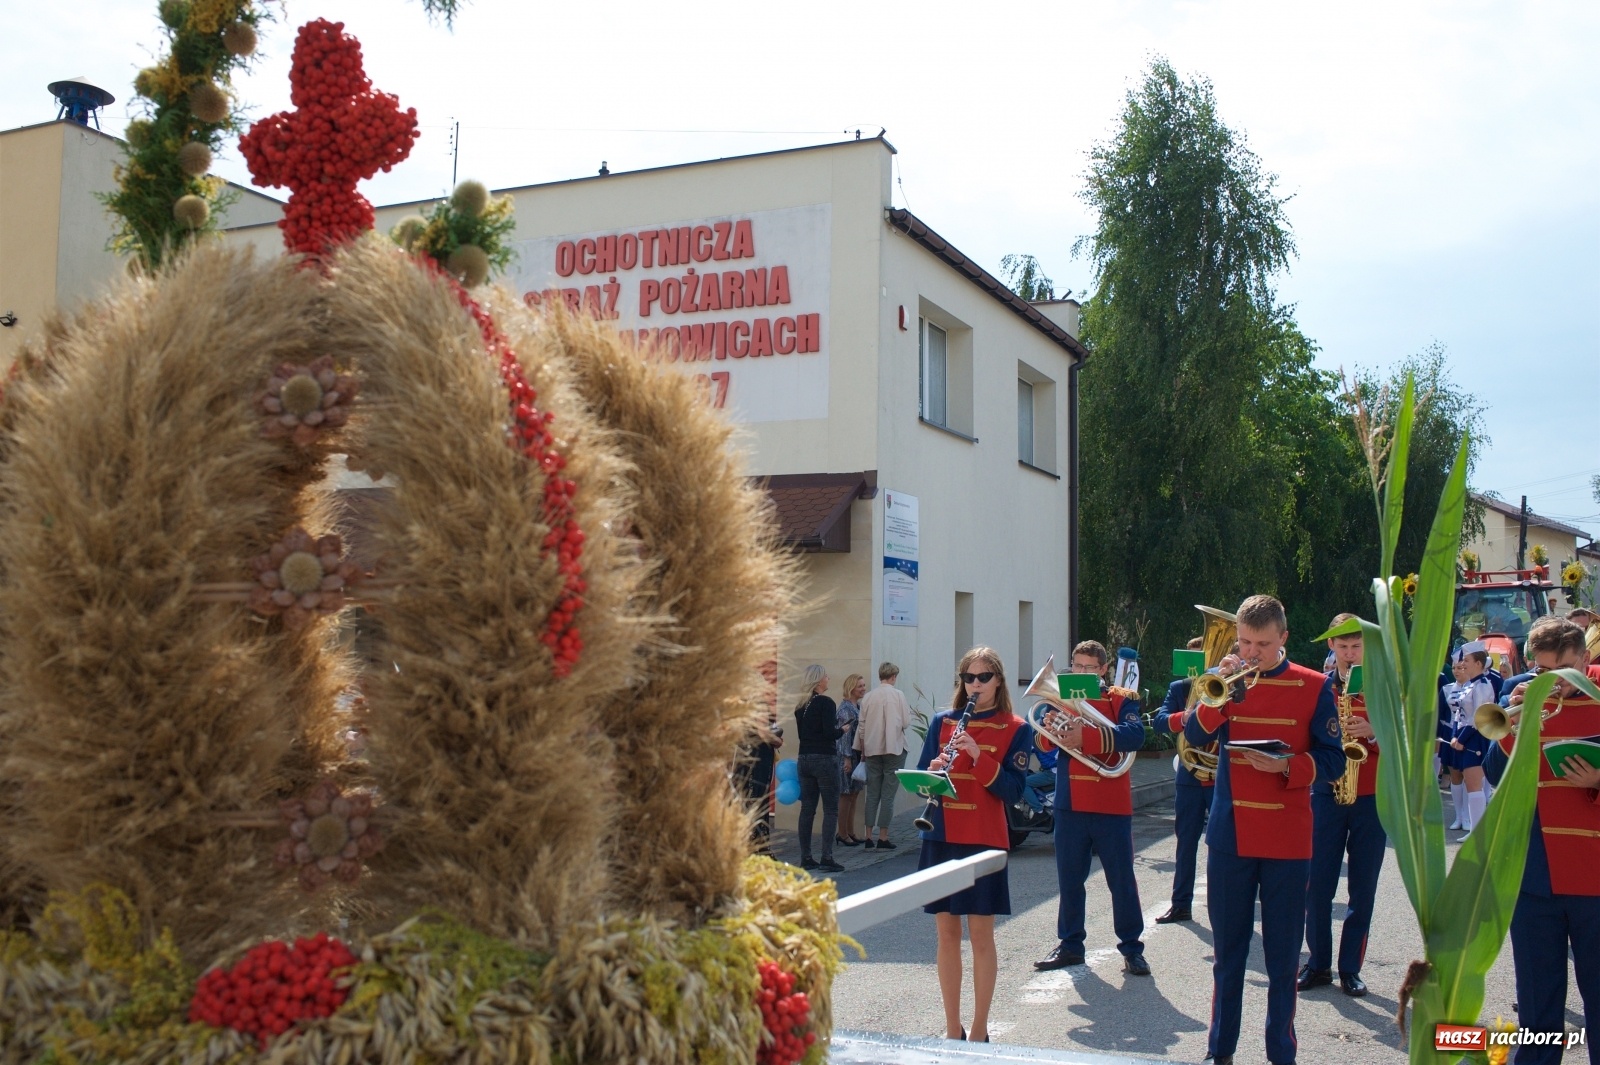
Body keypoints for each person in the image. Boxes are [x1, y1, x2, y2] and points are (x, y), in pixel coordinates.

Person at [1183, 595, 1345, 1065]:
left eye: (1263, 645)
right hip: (1231, 835)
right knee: (1228, 955)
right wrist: (1219, 696)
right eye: (1245, 643)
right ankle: (1220, 1051)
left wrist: (1287, 766)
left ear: (1283, 639)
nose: (1252, 653)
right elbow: (1194, 736)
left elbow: (1334, 760)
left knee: (1282, 958)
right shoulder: (1225, 682)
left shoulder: (1314, 685)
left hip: (1287, 839)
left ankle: (1281, 1053)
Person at [917, 646, 1033, 1044]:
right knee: (946, 935)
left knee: (981, 936)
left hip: (983, 837)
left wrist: (977, 756)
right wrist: (932, 772)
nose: (976, 685)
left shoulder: (1016, 727)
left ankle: (980, 1029)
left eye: (984, 677)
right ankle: (953, 1028)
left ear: (998, 681)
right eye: (969, 678)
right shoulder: (942, 722)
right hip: (941, 834)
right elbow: (920, 777)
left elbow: (1014, 790)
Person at [1498, 619, 1600, 1065]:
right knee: (1537, 1001)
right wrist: (1515, 724)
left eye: (1563, 670)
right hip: (1534, 872)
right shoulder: (1523, 697)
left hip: (1594, 872)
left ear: (1585, 659)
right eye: (1542, 671)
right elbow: (1496, 771)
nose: (1552, 681)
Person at [1034, 641, 1150, 976]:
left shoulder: (1120, 698)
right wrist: (1052, 727)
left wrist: (1086, 737)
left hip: (1111, 803)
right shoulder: (1060, 699)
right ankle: (1070, 945)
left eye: (1089, 667)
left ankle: (1132, 948)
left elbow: (1135, 735)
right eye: (1077, 666)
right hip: (1070, 802)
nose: (1081, 672)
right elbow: (1041, 742)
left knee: (1121, 881)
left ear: (1102, 669)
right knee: (1070, 880)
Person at [1299, 614, 1384, 997]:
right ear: (1331, 646)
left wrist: (1374, 732)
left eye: (1356, 646)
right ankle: (1318, 964)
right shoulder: (1318, 688)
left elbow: (1408, 742)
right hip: (1327, 794)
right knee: (1317, 885)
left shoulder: (1384, 688)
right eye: (1343, 647)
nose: (1350, 654)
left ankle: (1350, 968)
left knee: (1362, 889)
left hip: (1371, 798)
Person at [1153, 635, 1211, 924]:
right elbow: (1159, 722)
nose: (1196, 667)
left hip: (1221, 776)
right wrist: (1183, 717)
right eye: (1193, 660)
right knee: (1186, 842)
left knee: (1224, 843)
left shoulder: (1226, 685)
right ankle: (1181, 904)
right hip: (1190, 774)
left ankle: (1227, 902)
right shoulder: (1179, 688)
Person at [855, 661, 913, 850]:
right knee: (888, 795)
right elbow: (906, 722)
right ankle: (883, 836)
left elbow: (861, 727)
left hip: (872, 749)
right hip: (894, 748)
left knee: (872, 793)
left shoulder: (868, 697)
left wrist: (863, 750)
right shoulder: (898, 695)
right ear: (893, 676)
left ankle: (868, 836)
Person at [1440, 642, 1495, 838]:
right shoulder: (1470, 684)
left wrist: (1461, 738)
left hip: (1475, 738)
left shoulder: (1483, 685)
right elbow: (1458, 715)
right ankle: (1474, 830)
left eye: (1467, 660)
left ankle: (1477, 832)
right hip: (1463, 737)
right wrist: (1454, 735)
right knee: (1469, 784)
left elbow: (1479, 717)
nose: (1463, 664)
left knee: (1474, 785)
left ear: (1479, 663)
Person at [793, 664, 844, 874]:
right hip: (824, 758)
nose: (828, 678)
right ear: (819, 680)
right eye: (826, 676)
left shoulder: (800, 707)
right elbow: (829, 733)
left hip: (804, 758)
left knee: (807, 808)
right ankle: (826, 857)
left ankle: (806, 857)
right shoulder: (826, 702)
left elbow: (801, 735)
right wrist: (842, 730)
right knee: (830, 809)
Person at [835, 673, 867, 847]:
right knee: (845, 794)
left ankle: (850, 831)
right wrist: (847, 758)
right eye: (859, 686)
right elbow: (843, 737)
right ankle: (842, 833)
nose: (863, 688)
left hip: (856, 756)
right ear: (851, 688)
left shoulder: (858, 706)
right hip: (846, 756)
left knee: (854, 795)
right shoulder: (846, 709)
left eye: (863, 685)